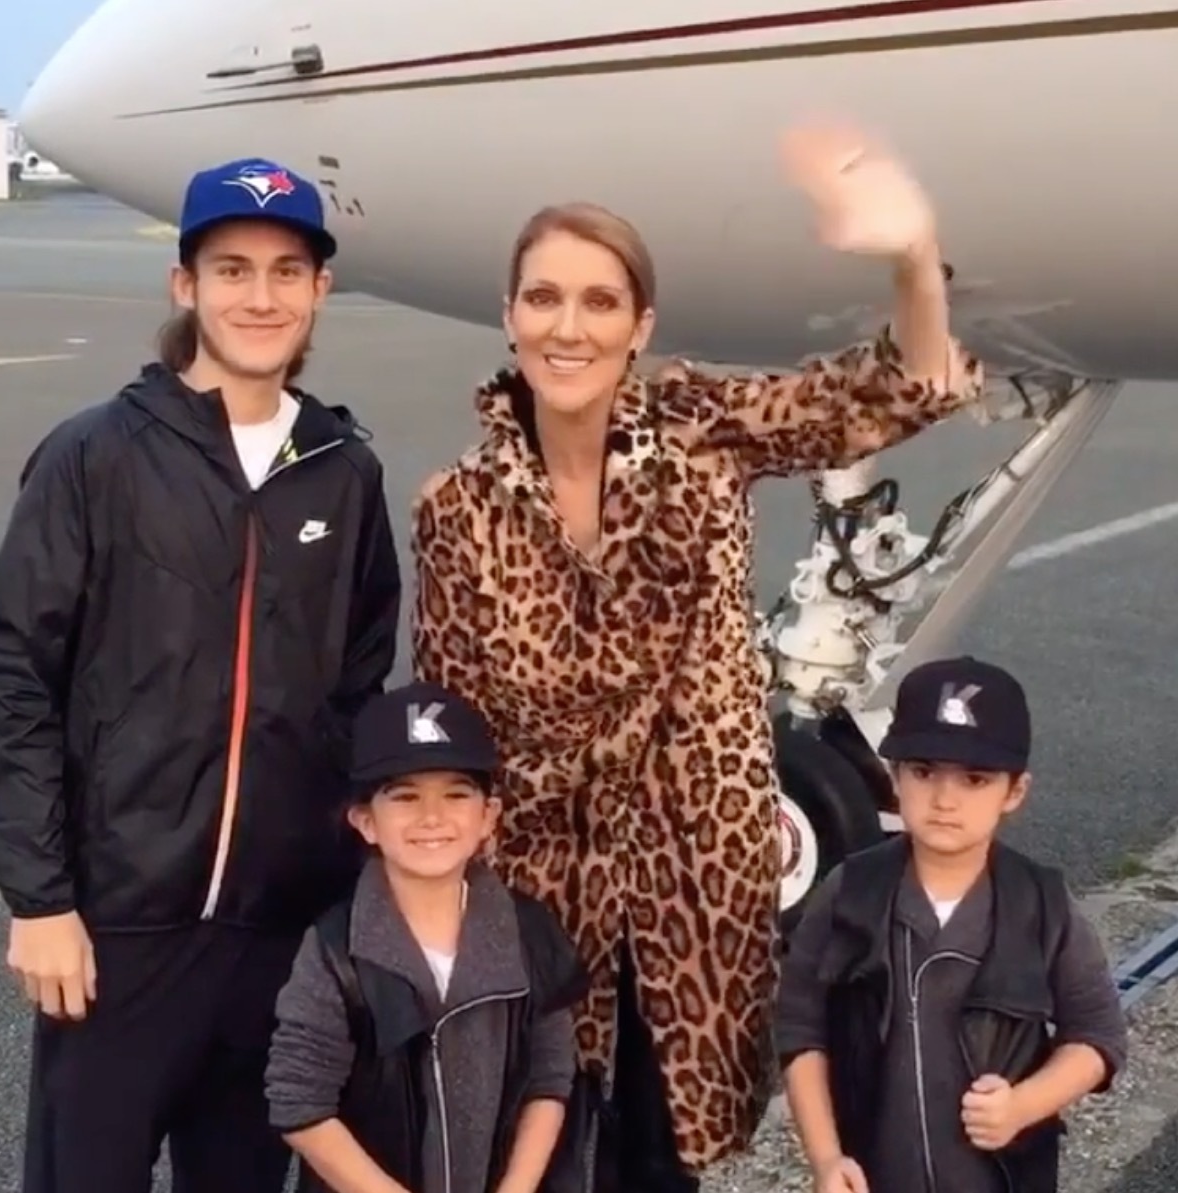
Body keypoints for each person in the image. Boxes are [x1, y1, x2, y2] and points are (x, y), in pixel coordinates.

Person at [409, 123, 986, 1191]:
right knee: (538, 1152)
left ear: (642, 325)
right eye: (543, 298)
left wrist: (912, 255)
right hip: (542, 887)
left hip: (696, 872)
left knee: (667, 1158)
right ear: (508, 315)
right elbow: (454, 730)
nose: (567, 326)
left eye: (598, 301)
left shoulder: (697, 428)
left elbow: (892, 388)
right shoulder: (456, 508)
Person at [0, 156, 402, 1193]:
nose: (260, 296)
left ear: (318, 292)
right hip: (117, 931)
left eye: (285, 271)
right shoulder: (95, 456)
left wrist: (342, 895)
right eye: (231, 269)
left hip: (276, 938)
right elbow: (12, 671)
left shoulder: (344, 473)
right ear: (186, 285)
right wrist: (38, 897)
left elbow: (357, 685)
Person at [776, 655, 1129, 1193]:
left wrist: (1023, 1105)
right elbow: (800, 1032)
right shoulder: (848, 894)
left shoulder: (1041, 904)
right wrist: (826, 1159)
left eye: (974, 778)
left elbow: (1098, 1036)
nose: (945, 800)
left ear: (1014, 791)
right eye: (922, 772)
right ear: (893, 779)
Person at [265, 680, 589, 1193]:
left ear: (489, 817)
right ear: (365, 821)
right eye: (405, 796)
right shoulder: (334, 952)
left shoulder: (529, 932)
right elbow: (299, 1104)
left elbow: (551, 1076)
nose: (432, 817)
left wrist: (517, 1188)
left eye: (457, 793)